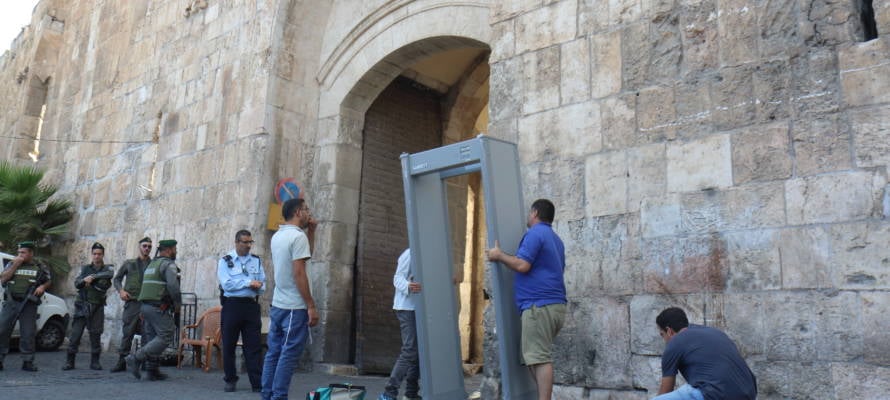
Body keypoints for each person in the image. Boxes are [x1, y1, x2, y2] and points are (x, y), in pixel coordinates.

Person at [486, 199, 566, 400]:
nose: (527, 216)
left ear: (535, 212)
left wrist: (498, 255)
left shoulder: (535, 234)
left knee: (539, 358)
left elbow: (522, 265)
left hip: (538, 306)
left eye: (529, 212)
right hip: (553, 306)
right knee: (534, 358)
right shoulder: (556, 240)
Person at [261, 198, 317, 400]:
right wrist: (310, 305)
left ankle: (267, 395)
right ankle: (279, 396)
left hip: (278, 303)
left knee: (274, 352)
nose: (308, 212)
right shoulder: (297, 236)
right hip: (294, 305)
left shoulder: (278, 235)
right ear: (298, 212)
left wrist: (312, 231)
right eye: (306, 209)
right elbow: (299, 273)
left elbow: (305, 255)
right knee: (288, 354)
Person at [653, 307, 757, 400]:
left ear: (669, 331)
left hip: (715, 394)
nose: (664, 340)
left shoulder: (674, 343)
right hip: (749, 393)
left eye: (662, 335)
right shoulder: (714, 332)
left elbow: (666, 390)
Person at [126, 239, 181, 381]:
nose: (176, 251)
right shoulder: (168, 265)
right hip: (158, 307)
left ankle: (152, 370)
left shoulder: (152, 264)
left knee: (152, 339)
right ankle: (136, 358)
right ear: (168, 250)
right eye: (175, 249)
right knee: (166, 335)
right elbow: (173, 287)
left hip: (145, 306)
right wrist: (177, 305)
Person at [218, 229, 266, 392]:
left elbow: (263, 284)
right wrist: (248, 283)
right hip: (232, 305)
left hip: (251, 305)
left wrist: (257, 286)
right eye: (245, 242)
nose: (248, 246)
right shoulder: (225, 261)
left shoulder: (256, 261)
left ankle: (257, 383)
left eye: (250, 242)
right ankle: (230, 379)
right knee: (229, 345)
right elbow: (227, 285)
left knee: (253, 346)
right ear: (237, 242)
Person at [0, 241, 52, 372]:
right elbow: (3, 279)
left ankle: (28, 361)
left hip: (28, 304)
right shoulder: (12, 264)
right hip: (11, 302)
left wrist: (42, 287)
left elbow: (48, 280)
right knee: (2, 330)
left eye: (23, 252)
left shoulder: (39, 266)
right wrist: (15, 265)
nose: (20, 255)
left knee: (28, 333)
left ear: (31, 253)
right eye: (18, 252)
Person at [378, 249, 422, 400]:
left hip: (420, 308)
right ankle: (388, 393)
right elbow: (397, 278)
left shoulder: (430, 252)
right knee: (409, 350)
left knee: (417, 353)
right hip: (406, 307)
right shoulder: (410, 253)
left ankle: (411, 393)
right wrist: (409, 286)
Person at [63, 242, 114, 370]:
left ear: (103, 255)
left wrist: (92, 278)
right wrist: (84, 280)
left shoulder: (107, 268)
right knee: (75, 334)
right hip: (82, 305)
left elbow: (109, 275)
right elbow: (77, 283)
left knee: (96, 334)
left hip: (97, 306)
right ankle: (70, 361)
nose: (97, 256)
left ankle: (95, 361)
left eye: (99, 254)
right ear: (92, 254)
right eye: (95, 254)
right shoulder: (85, 268)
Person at [110, 237, 153, 372]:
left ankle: (145, 361)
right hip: (132, 303)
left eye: (149, 246)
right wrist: (121, 291)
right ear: (139, 247)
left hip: (147, 303)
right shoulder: (129, 263)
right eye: (144, 246)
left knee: (147, 333)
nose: (147, 248)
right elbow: (117, 279)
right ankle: (121, 361)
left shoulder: (153, 265)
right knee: (127, 333)